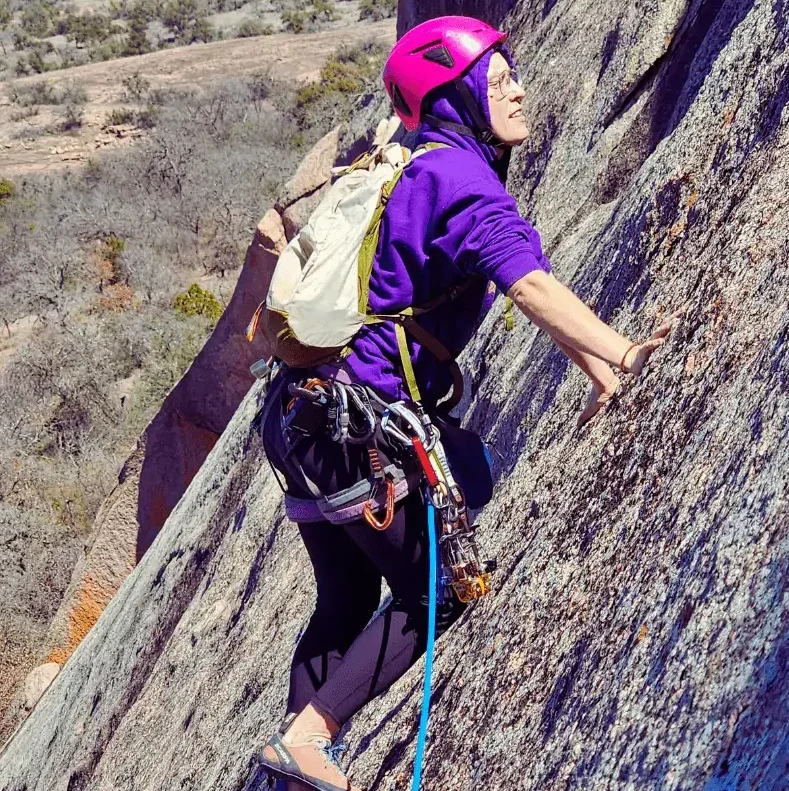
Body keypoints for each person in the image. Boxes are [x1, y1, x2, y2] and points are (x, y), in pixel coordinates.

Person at [255, 16, 675, 791]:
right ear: (454, 98)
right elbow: (531, 286)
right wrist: (621, 354)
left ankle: (288, 769)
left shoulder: (413, 160)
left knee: (344, 597)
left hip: (297, 419)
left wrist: (599, 376)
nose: (516, 85)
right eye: (496, 76)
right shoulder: (461, 178)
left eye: (512, 69)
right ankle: (309, 739)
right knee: (441, 583)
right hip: (358, 429)